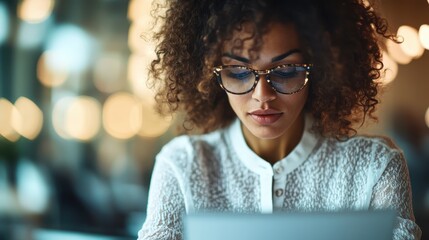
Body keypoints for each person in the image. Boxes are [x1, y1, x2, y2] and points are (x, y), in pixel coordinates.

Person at [137, 0, 422, 239]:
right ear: (209, 74)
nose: (263, 96)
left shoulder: (374, 167)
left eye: (286, 70)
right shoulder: (182, 164)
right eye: (237, 71)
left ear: (323, 69)